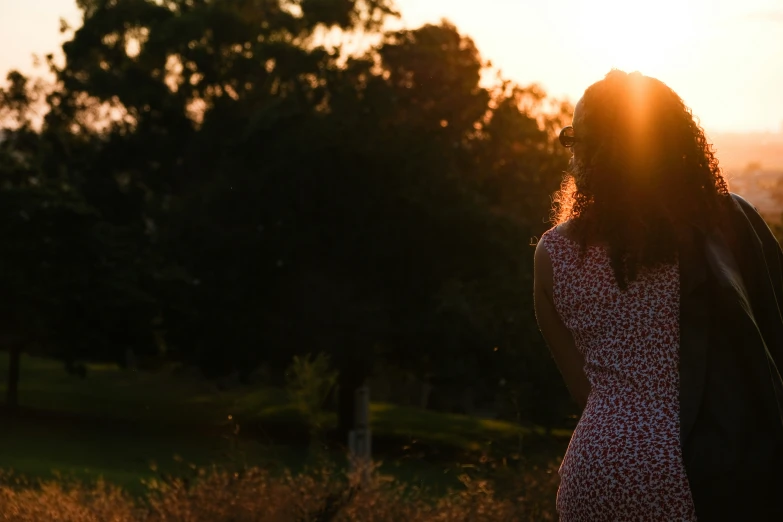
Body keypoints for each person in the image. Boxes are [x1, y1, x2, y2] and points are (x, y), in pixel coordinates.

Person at [534, 69, 783, 521]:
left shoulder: (552, 253)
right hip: (692, 467)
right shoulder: (721, 228)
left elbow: (586, 391)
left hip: (593, 472)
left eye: (575, 141)